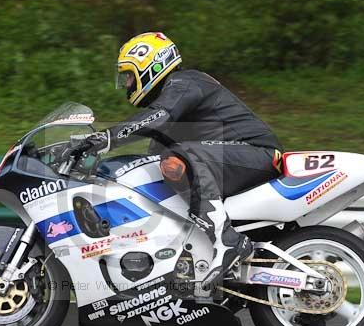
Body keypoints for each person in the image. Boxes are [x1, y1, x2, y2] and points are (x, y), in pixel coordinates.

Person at [83, 32, 284, 288]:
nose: (126, 84)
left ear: (152, 67)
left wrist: (105, 138)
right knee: (156, 172)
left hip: (256, 152)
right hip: (232, 158)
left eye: (129, 75)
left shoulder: (184, 83)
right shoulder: (174, 103)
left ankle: (227, 241)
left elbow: (157, 117)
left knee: (176, 158)